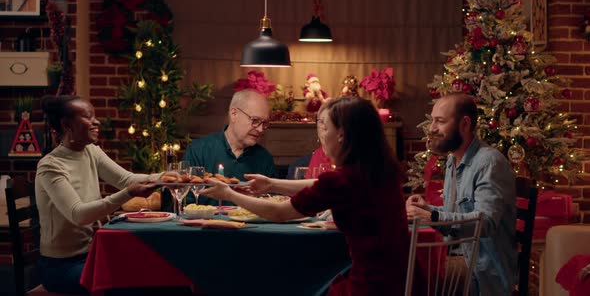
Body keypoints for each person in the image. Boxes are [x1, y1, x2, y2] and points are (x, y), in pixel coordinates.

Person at [201, 96, 409, 295]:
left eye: (325, 128)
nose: (321, 136)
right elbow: (320, 184)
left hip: (370, 287)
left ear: (341, 134)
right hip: (404, 281)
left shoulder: (343, 180)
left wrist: (229, 194)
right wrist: (272, 184)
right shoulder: (379, 172)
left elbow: (279, 212)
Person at [35, 95, 168, 294]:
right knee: (127, 286)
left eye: (94, 116)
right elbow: (78, 214)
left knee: (155, 275)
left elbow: (127, 179)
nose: (96, 121)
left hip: (93, 256)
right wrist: (128, 194)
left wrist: (166, 178)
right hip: (60, 267)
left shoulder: (91, 152)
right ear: (67, 124)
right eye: (88, 117)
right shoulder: (50, 166)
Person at [405, 93, 517, 296]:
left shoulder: (489, 163)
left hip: (483, 274)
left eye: (440, 121)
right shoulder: (453, 161)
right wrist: (427, 209)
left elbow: (485, 223)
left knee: (409, 276)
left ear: (464, 124)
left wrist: (432, 217)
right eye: (432, 120)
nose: (432, 129)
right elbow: (455, 214)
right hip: (459, 259)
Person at [181, 89, 277, 206]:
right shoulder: (199, 151)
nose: (260, 129)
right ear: (234, 114)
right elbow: (183, 201)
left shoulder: (265, 158)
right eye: (255, 120)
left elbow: (273, 204)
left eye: (265, 123)